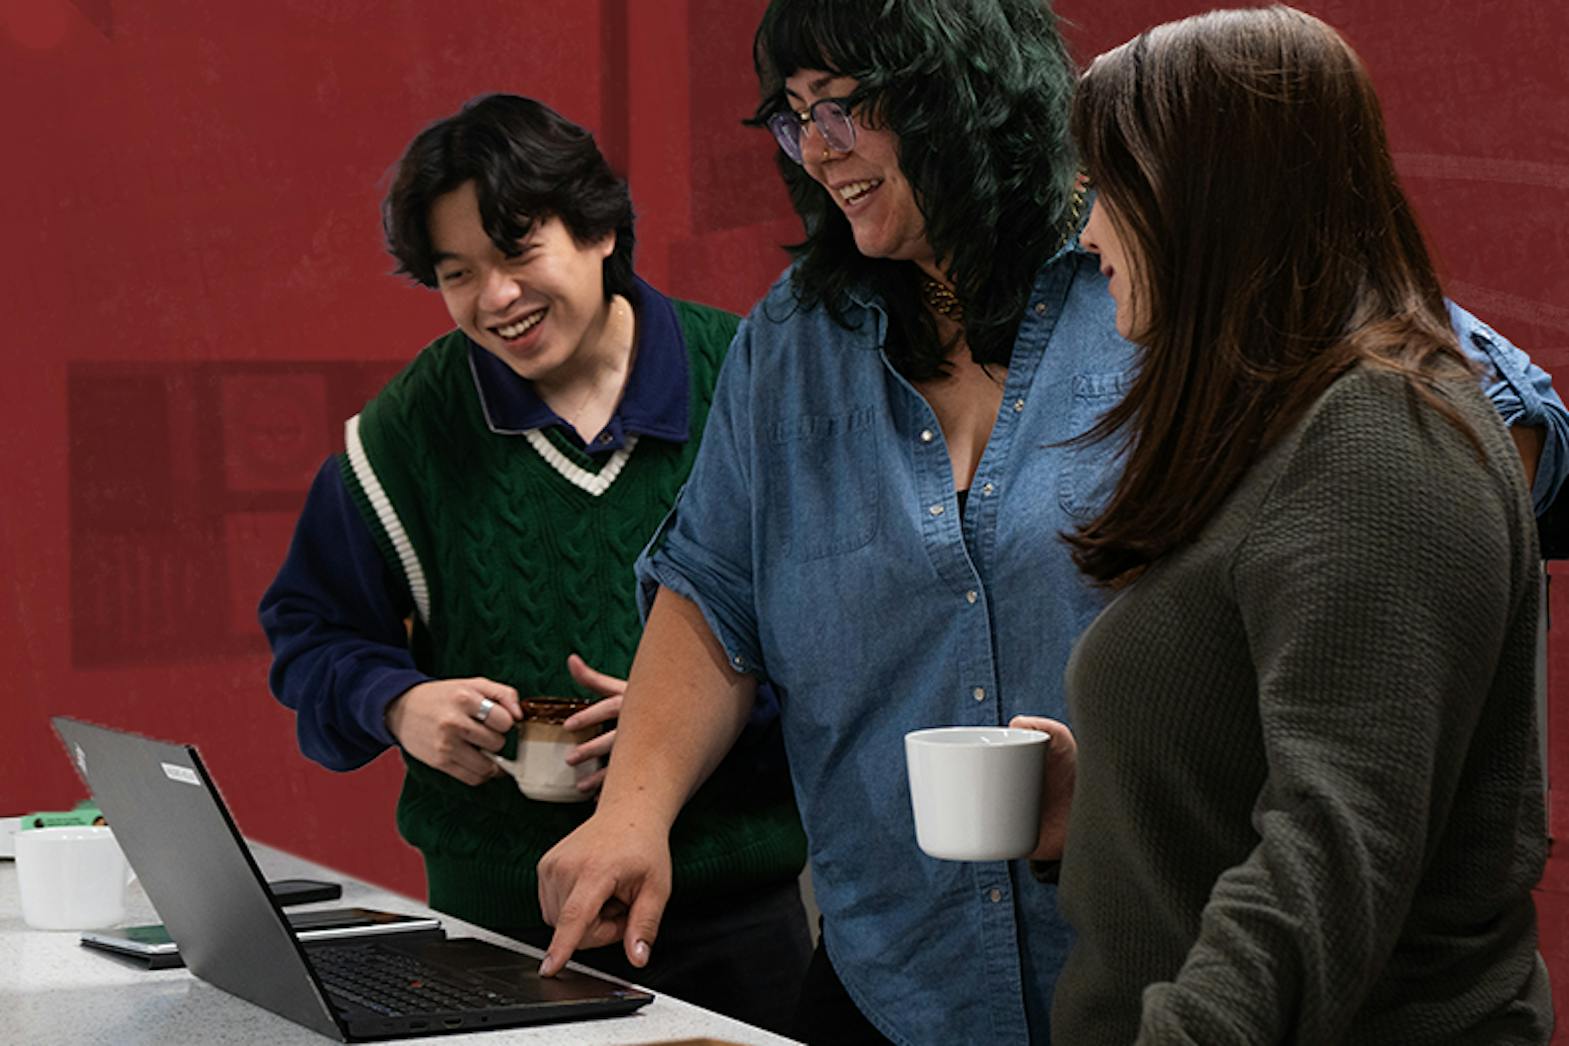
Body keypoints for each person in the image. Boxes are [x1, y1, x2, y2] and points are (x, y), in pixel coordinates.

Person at [535, 2, 1568, 1042]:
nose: (816, 149)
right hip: (903, 966)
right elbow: (715, 586)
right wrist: (632, 812)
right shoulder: (795, 339)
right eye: (793, 117)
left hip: (1197, 968)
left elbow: (1477, 414)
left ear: (963, 97)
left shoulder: (1199, 292)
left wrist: (1392, 592)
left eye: (842, 106)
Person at [1016, 8, 1552, 1042]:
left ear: (1209, 196)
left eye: (1109, 192)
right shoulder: (1289, 421)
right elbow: (1296, 762)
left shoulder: (1383, 436)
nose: (1087, 235)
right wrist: (1111, 805)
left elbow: (1332, 852)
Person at [257, 93, 811, 1033]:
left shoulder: (751, 377)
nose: (495, 299)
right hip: (494, 931)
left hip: (735, 912)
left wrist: (684, 722)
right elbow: (308, 634)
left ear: (599, 230)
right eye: (457, 274)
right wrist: (397, 704)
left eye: (518, 254)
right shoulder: (409, 428)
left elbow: (854, 635)